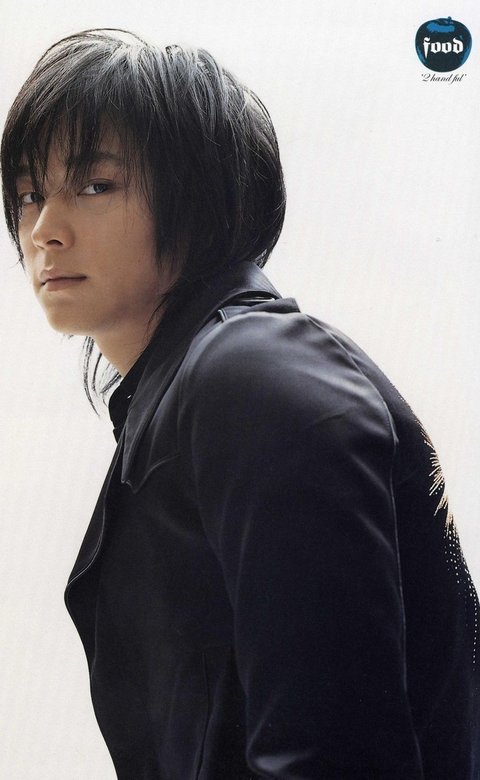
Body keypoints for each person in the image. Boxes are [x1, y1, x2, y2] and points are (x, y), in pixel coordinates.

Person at [1, 28, 478, 780]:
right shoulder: (194, 388)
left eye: (95, 185)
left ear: (198, 195)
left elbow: (335, 757)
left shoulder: (252, 375)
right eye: (30, 194)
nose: (43, 230)